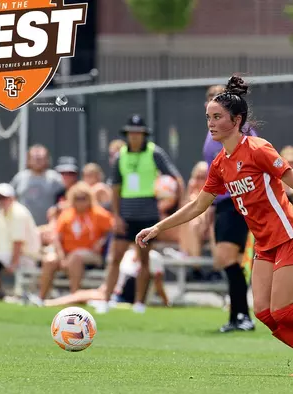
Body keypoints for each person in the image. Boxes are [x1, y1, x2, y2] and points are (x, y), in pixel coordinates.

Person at [137, 75, 293, 377]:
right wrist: (157, 228)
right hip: (265, 244)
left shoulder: (258, 148)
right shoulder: (220, 163)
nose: (211, 122)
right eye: (208, 117)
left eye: (217, 117)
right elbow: (198, 205)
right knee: (264, 313)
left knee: (283, 310)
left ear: (236, 119)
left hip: (290, 236)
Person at [98, 114, 184, 314]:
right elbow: (116, 188)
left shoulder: (155, 153)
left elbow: (174, 178)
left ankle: (139, 303)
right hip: (125, 214)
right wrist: (116, 216)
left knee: (143, 260)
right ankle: (106, 300)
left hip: (147, 215)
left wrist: (174, 207)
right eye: (131, 133)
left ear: (144, 134)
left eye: (138, 133)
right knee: (115, 258)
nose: (135, 136)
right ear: (127, 134)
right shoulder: (120, 156)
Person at [202, 84, 256, 332]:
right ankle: (237, 317)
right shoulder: (212, 131)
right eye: (210, 100)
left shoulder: (241, 132)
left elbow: (254, 162)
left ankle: (243, 315)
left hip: (237, 202)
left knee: (227, 259)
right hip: (222, 203)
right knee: (226, 260)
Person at [32, 182, 113, 304]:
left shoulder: (98, 213)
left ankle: (74, 297)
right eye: (77, 198)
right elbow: (56, 238)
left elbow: (112, 230)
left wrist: (101, 242)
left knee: (76, 257)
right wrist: (61, 257)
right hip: (66, 254)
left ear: (89, 198)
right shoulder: (66, 214)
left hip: (91, 254)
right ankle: (41, 298)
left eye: (84, 198)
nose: (81, 202)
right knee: (49, 260)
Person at [39, 247, 169, 308]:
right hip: (114, 293)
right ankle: (47, 303)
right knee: (80, 294)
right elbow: (118, 279)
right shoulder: (127, 254)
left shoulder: (154, 258)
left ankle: (47, 303)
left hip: (125, 298)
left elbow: (158, 284)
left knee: (80, 296)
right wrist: (105, 289)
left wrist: (166, 303)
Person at [10, 144, 64, 227]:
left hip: (47, 229)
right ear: (28, 160)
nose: (38, 161)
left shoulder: (55, 179)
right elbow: (10, 200)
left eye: (41, 158)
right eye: (35, 158)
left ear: (47, 160)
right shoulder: (20, 178)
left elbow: (65, 200)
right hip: (23, 228)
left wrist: (57, 209)